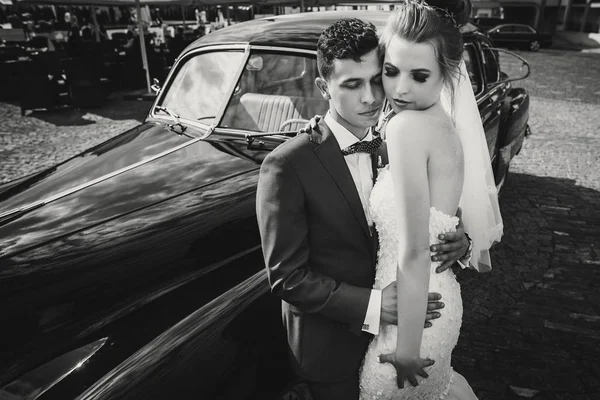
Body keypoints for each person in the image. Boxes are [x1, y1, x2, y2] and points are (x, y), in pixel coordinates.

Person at [255, 17, 473, 400]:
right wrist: (375, 306)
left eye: (377, 79)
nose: (371, 97)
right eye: (352, 84)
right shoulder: (288, 164)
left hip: (406, 333)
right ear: (324, 87)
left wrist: (460, 241)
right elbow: (286, 277)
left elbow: (429, 217)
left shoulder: (398, 139)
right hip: (331, 350)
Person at [359, 0, 503, 399]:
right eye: (391, 71)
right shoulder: (443, 125)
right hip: (437, 304)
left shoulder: (405, 128)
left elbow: (415, 251)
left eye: (419, 76)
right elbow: (442, 220)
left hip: (412, 322)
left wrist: (405, 349)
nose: (400, 88)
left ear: (447, 74)